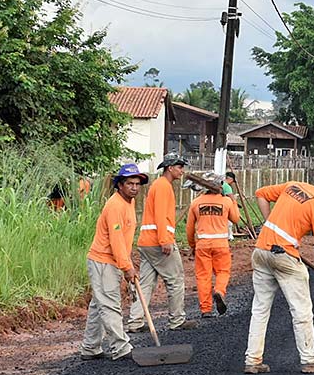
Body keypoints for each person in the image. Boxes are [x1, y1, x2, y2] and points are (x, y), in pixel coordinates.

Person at [244, 174, 314, 374]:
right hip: (284, 256)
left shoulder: (293, 185)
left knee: (260, 309)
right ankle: (310, 359)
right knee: (302, 311)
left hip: (261, 250)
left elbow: (261, 194)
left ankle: (252, 360)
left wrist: (269, 224)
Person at [80, 164, 146, 362]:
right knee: (109, 304)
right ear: (120, 185)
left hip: (114, 261)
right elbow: (116, 240)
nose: (134, 187)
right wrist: (127, 267)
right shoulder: (115, 206)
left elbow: (124, 240)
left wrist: (127, 262)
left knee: (98, 304)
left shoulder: (129, 203)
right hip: (103, 261)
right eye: (129, 184)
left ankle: (90, 347)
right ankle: (121, 347)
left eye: (137, 184)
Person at [127, 154, 198, 332]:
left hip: (147, 242)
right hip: (158, 242)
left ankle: (135, 321)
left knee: (145, 283)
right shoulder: (162, 186)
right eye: (180, 167)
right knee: (175, 279)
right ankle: (177, 320)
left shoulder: (160, 186)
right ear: (169, 168)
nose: (182, 171)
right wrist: (165, 240)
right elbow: (160, 214)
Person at [186, 172, 240, 318]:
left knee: (203, 276)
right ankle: (219, 291)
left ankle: (206, 309)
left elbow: (189, 229)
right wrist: (233, 200)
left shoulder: (196, 203)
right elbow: (235, 219)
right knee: (223, 272)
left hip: (202, 244)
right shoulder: (226, 202)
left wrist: (192, 245)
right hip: (221, 244)